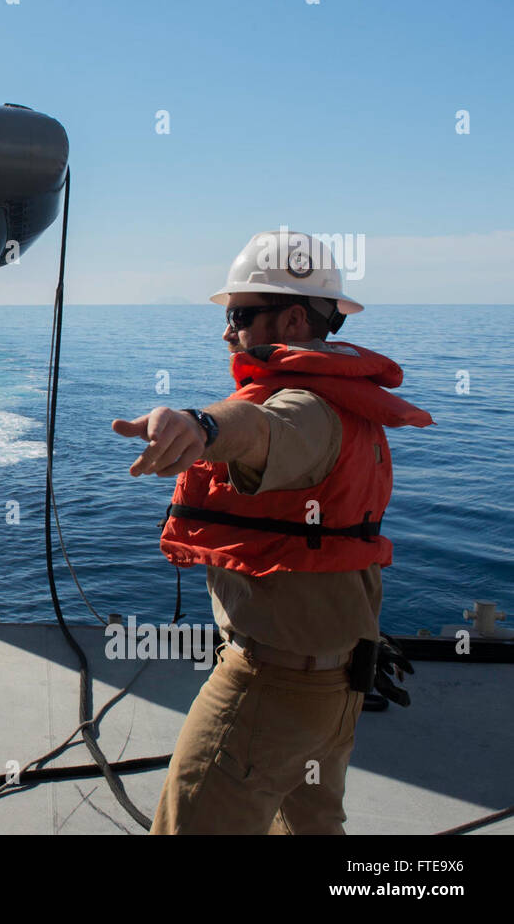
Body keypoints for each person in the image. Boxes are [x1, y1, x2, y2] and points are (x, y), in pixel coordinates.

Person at [112, 230, 433, 834]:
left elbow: (259, 429)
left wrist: (199, 425)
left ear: (290, 317)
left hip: (269, 690)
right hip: (336, 689)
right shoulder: (346, 403)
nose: (226, 332)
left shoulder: (306, 409)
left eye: (239, 315)